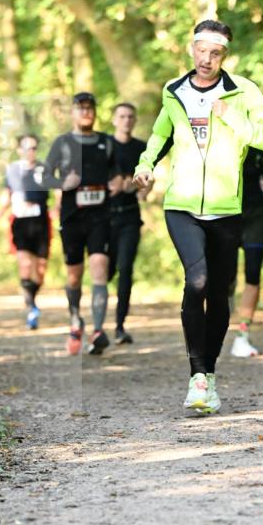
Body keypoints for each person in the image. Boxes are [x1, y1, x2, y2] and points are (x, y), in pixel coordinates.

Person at [133, 19, 263, 414]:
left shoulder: (244, 91)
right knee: (196, 281)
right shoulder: (173, 90)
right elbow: (160, 134)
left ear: (224, 56)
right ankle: (197, 376)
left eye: (216, 53)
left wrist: (230, 115)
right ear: (191, 49)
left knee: (219, 293)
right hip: (182, 205)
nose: (207, 59)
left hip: (227, 208)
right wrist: (145, 164)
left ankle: (208, 375)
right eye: (202, 51)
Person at [44, 92, 121, 356]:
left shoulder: (107, 142)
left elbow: (118, 173)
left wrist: (117, 183)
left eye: (90, 108)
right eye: (81, 108)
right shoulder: (62, 143)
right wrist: (62, 184)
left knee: (100, 266)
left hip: (100, 216)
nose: (86, 112)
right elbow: (45, 177)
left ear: (95, 112)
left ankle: (98, 331)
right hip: (72, 217)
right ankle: (76, 320)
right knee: (74, 276)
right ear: (73, 113)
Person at [229, 125, 263, 357]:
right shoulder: (224, 122)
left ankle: (243, 334)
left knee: (253, 272)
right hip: (226, 206)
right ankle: (219, 321)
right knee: (224, 276)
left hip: (256, 209)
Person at [0, 134, 52, 330]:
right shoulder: (11, 170)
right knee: (25, 265)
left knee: (41, 270)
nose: (31, 151)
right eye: (27, 148)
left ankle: (31, 298)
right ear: (19, 150)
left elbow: (57, 190)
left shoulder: (43, 169)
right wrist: (1, 211)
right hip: (20, 222)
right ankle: (32, 308)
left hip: (41, 222)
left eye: (34, 148)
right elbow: (7, 194)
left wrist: (59, 208)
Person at [108, 102, 151, 344]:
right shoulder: (104, 145)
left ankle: (120, 326)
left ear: (134, 121)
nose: (126, 120)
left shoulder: (142, 148)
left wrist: (139, 187)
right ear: (114, 120)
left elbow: (147, 178)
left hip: (130, 218)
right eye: (122, 116)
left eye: (130, 117)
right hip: (104, 218)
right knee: (107, 272)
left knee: (126, 270)